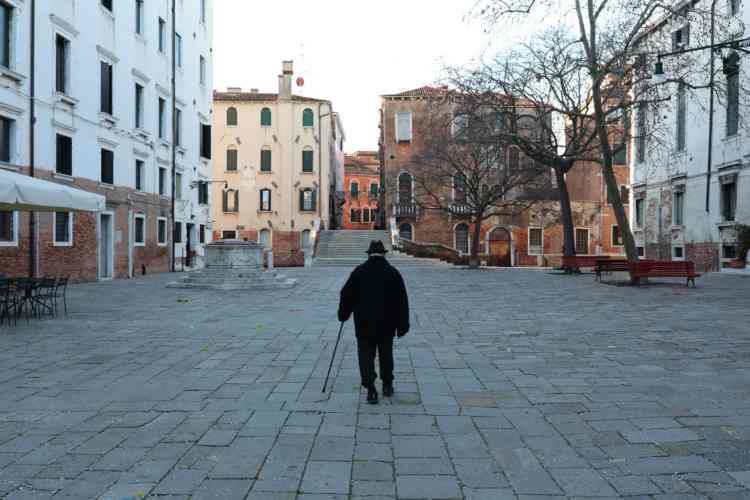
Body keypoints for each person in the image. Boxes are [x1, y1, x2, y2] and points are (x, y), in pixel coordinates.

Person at [338, 240, 410, 404]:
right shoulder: (393, 273)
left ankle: (370, 388)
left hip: (364, 323)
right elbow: (402, 301)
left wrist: (343, 314)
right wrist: (403, 325)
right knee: (386, 354)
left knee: (365, 355)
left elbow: (346, 295)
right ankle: (387, 385)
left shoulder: (359, 272)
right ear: (384, 254)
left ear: (369, 254)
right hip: (387, 324)